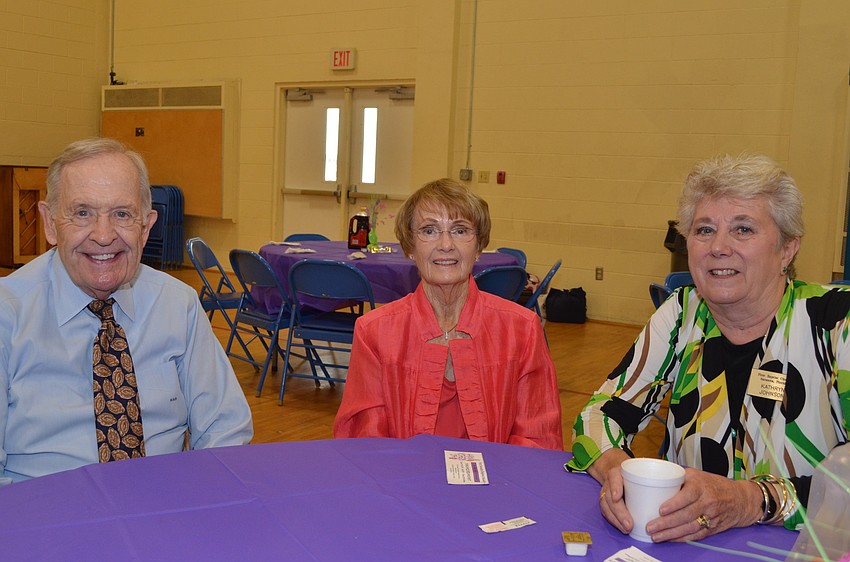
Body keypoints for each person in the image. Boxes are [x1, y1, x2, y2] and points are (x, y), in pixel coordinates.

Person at [567, 154, 849, 541]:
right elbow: (599, 414)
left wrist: (752, 500)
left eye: (743, 229)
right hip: (685, 545)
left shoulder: (836, 324)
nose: (718, 247)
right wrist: (617, 470)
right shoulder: (684, 313)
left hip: (804, 546)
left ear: (787, 249)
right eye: (704, 230)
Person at [0, 138, 253, 484]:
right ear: (49, 223)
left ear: (146, 227)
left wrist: (204, 502)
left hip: (161, 509)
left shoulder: (178, 305)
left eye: (122, 214)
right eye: (82, 213)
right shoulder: (7, 314)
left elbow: (226, 429)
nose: (104, 236)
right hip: (44, 517)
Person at [333, 178, 563, 450]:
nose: (445, 244)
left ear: (478, 247)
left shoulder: (521, 329)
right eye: (429, 230)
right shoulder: (374, 331)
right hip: (404, 483)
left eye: (460, 230)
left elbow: (537, 437)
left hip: (496, 484)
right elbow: (366, 441)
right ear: (410, 248)